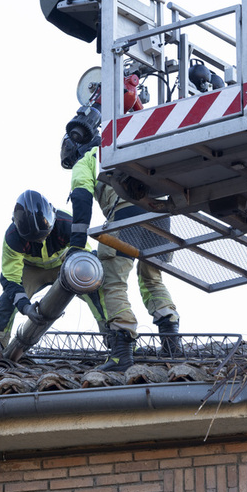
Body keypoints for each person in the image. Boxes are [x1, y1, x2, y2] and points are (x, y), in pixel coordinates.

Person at [66, 137, 181, 371]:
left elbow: (81, 198)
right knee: (152, 278)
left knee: (113, 283)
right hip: (160, 216)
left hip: (126, 215)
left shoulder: (88, 159)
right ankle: (171, 344)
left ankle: (122, 353)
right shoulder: (124, 145)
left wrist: (77, 245)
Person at [0, 189, 107, 370]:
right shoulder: (12, 238)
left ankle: (116, 338)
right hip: (31, 269)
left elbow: (84, 259)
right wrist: (25, 307)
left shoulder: (67, 223)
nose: (40, 241)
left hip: (64, 262)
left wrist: (84, 278)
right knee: (6, 301)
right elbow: (11, 279)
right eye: (34, 239)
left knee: (94, 285)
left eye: (44, 235)